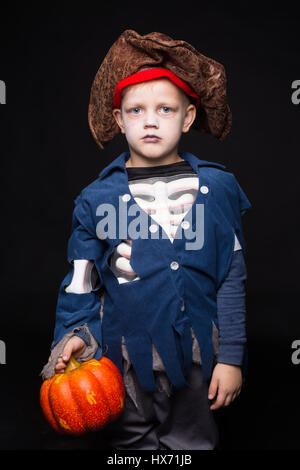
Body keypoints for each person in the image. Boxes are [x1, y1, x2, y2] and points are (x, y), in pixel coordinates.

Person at [41, 30, 251, 450]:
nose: (150, 120)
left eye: (165, 109)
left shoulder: (218, 188)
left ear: (188, 117)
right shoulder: (96, 198)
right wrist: (75, 334)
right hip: (125, 355)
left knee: (192, 440)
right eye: (136, 110)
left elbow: (231, 277)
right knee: (132, 441)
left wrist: (231, 357)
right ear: (119, 119)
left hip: (198, 352)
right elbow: (81, 283)